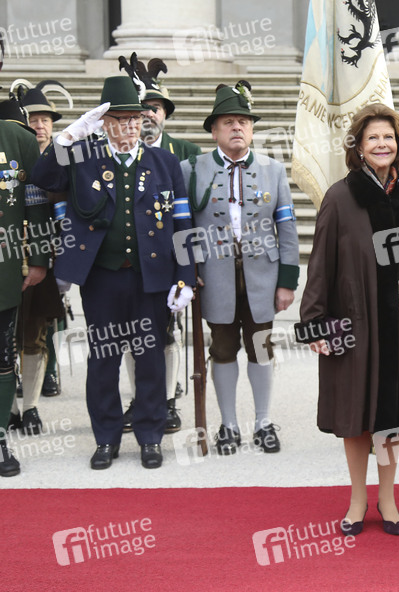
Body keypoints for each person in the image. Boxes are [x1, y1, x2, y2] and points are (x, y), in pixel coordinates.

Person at [31, 75, 196, 470]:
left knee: (150, 358)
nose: (130, 126)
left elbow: (183, 224)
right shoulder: (83, 158)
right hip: (102, 277)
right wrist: (68, 137)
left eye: (135, 119)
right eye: (120, 120)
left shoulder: (165, 163)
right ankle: (106, 437)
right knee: (103, 360)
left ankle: (150, 436)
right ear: (104, 123)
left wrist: (186, 277)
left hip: (151, 277)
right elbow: (42, 178)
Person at [298, 103, 399, 537]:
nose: (382, 144)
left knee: (390, 415)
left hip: (398, 324)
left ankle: (388, 498)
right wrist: (315, 320)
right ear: (359, 147)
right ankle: (358, 499)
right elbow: (320, 263)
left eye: (388, 137)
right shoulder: (340, 198)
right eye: (372, 138)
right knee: (356, 412)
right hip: (353, 322)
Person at [181, 82, 299, 455]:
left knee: (261, 347)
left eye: (243, 122)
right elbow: (181, 227)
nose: (237, 128)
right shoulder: (191, 169)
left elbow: (287, 227)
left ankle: (263, 422)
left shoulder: (272, 169)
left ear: (251, 130)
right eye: (228, 122)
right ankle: (229, 425)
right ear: (213, 131)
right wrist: (187, 273)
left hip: (262, 276)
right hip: (213, 277)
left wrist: (287, 281)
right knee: (223, 349)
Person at [120, 55, 202, 435]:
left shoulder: (185, 153)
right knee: (128, 336)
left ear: (165, 113)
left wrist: (192, 266)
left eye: (154, 108)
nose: (148, 114)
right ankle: (139, 399)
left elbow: (193, 216)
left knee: (169, 333)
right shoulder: (118, 152)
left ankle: (167, 401)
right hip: (127, 263)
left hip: (169, 263)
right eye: (142, 108)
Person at [6, 81, 69, 436]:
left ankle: (30, 406)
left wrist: (46, 258)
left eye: (45, 119)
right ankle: (10, 407)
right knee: (6, 339)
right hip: (9, 258)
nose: (39, 125)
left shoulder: (57, 158)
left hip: (39, 257)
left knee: (35, 335)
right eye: (33, 118)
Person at [0, 77, 52, 477]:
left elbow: (35, 202)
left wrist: (37, 257)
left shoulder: (18, 138)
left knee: (3, 357)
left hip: (4, 268)